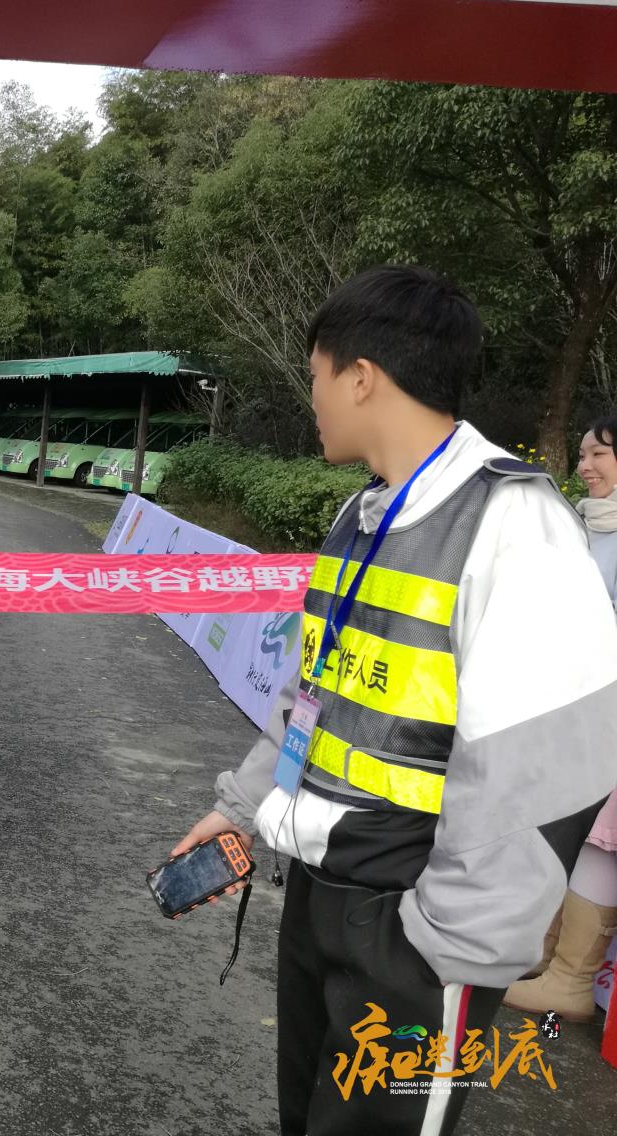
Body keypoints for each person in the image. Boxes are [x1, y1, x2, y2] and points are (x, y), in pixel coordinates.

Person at [172, 267, 617, 1135]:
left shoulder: (515, 524)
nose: (312, 399)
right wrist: (243, 808)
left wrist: (443, 946)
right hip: (323, 892)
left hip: (419, 924)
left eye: (315, 376)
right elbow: (317, 689)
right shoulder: (364, 515)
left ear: (361, 376)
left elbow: (548, 771)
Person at [502, 414, 617, 1022]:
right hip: (566, 712)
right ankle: (543, 953)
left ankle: (572, 980)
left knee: (600, 840)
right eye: (583, 453)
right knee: (563, 827)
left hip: (605, 715)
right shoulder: (582, 525)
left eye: (600, 454)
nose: (585, 465)